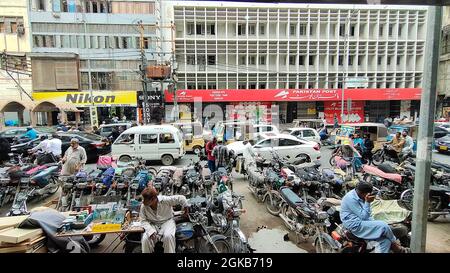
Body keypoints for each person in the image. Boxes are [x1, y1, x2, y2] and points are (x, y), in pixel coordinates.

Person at [340, 182, 410, 253]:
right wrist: (367, 202)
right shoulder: (351, 199)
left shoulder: (358, 194)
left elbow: (366, 216)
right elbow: (364, 216)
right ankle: (397, 246)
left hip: (361, 221)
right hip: (355, 225)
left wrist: (373, 221)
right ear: (365, 193)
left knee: (385, 242)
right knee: (383, 226)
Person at [140, 187, 189, 253]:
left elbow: (181, 198)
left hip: (167, 222)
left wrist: (186, 209)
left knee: (168, 236)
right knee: (145, 239)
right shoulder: (143, 206)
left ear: (153, 199)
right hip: (153, 223)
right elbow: (143, 220)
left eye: (145, 200)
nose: (143, 201)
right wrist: (150, 230)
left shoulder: (165, 200)